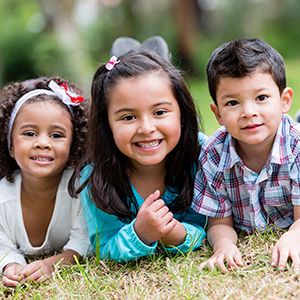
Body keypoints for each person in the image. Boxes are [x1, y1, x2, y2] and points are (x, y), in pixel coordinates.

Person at [69, 50, 207, 262]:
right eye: (128, 117)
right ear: (107, 126)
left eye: (160, 112)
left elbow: (210, 223)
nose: (146, 128)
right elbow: (104, 246)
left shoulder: (201, 153)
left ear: (182, 112)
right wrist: (139, 233)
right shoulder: (97, 176)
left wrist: (176, 235)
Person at [192, 38, 300, 273]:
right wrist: (223, 245)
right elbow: (219, 222)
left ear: (284, 101)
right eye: (233, 103)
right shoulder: (213, 154)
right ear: (217, 114)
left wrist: (294, 236)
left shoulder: (297, 147)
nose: (248, 112)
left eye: (261, 98)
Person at [0, 77, 91, 287]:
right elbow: (2, 245)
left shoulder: (80, 189)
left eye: (56, 135)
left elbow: (85, 241)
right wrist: (11, 265)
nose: (42, 143)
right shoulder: (3, 198)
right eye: (30, 133)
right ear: (11, 146)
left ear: (73, 146)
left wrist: (53, 264)